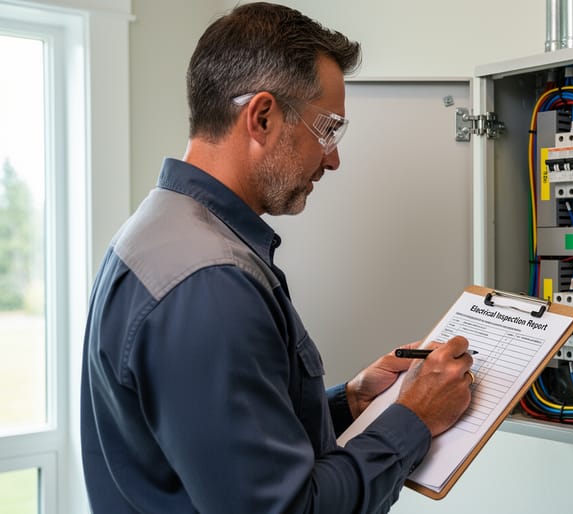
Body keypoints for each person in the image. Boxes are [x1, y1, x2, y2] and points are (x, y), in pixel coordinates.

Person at [80, 3, 474, 513]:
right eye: (328, 130)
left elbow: (226, 453)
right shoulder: (209, 284)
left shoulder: (162, 234)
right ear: (262, 117)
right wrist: (414, 418)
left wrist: (349, 402)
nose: (333, 158)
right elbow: (287, 508)